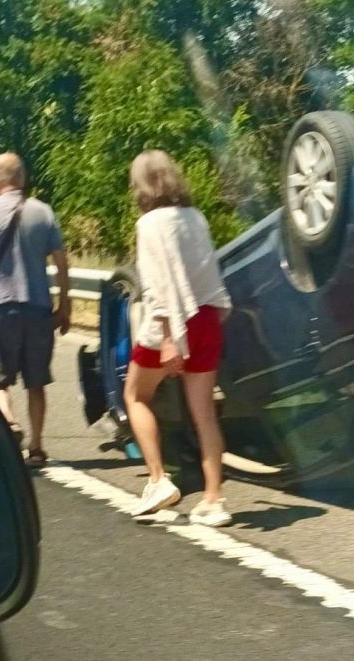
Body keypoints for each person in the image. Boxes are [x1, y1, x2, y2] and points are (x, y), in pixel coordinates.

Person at [125, 150, 232, 526]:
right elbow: (208, 274)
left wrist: (170, 338)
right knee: (204, 414)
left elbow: (158, 286)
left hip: (169, 324)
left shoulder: (150, 224)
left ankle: (157, 480)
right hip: (206, 317)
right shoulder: (196, 218)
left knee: (136, 396)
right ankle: (214, 500)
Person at [0, 153, 71, 468]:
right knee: (36, 381)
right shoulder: (43, 212)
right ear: (23, 178)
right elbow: (61, 262)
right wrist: (65, 305)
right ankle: (36, 447)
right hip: (38, 308)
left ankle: (7, 418)